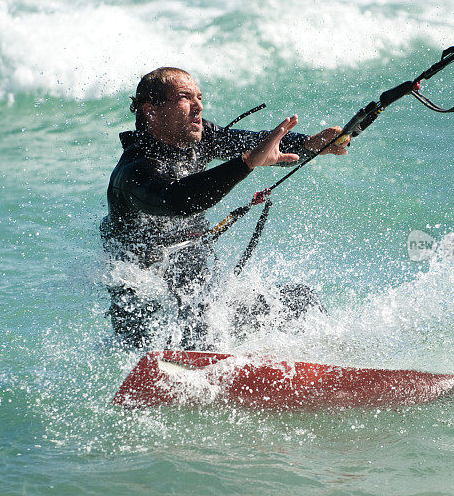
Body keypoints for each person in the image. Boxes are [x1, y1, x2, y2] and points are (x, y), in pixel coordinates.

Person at [101, 67, 348, 349]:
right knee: (202, 322)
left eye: (199, 97)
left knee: (299, 301)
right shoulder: (133, 172)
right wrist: (246, 164)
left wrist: (308, 144)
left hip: (200, 298)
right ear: (150, 111)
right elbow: (177, 199)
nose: (199, 106)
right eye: (185, 97)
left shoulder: (199, 139)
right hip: (149, 316)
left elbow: (255, 143)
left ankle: (326, 370)